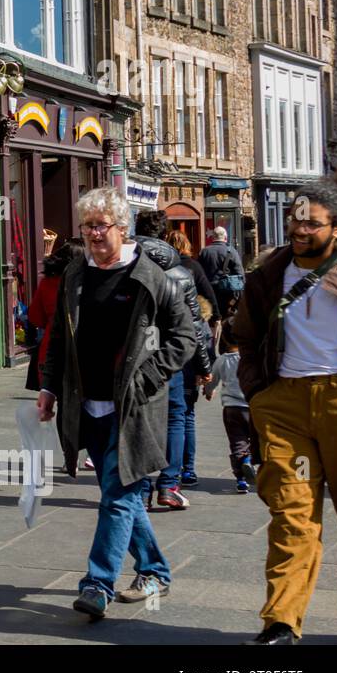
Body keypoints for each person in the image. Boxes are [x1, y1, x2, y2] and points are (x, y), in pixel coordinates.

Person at [39, 186, 197, 621]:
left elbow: (185, 338)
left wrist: (147, 377)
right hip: (86, 403)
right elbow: (58, 339)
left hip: (135, 408)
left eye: (100, 226)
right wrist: (49, 388)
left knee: (120, 495)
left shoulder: (150, 278)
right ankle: (154, 570)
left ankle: (97, 583)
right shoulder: (75, 273)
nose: (92, 234)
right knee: (116, 491)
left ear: (122, 227)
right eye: (87, 226)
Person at [233, 178, 337, 645]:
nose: (299, 227)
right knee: (291, 513)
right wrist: (258, 392)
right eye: (294, 217)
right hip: (284, 406)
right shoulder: (268, 272)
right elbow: (244, 334)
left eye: (311, 221)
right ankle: (281, 620)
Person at [133, 212, 212, 510]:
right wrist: (204, 367)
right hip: (171, 358)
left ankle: (141, 489)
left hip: (135, 357)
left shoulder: (123, 265)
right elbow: (193, 327)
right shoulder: (180, 273)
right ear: (164, 234)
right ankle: (168, 486)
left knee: (138, 419)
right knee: (175, 417)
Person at [27, 239, 91, 469]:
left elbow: (35, 318)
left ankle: (69, 456)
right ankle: (93, 451)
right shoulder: (88, 280)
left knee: (65, 405)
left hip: (51, 352)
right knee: (91, 401)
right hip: (83, 351)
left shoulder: (47, 283)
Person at [168, 229, 217, 489]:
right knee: (185, 414)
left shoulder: (154, 270)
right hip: (187, 353)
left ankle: (167, 474)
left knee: (166, 417)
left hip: (163, 356)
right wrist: (206, 366)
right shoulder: (192, 269)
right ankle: (187, 469)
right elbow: (207, 304)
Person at [203, 324, 255, 494]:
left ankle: (240, 479)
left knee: (237, 442)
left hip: (231, 409)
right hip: (252, 406)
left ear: (223, 339)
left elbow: (212, 379)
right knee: (257, 438)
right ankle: (250, 458)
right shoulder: (250, 357)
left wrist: (208, 391)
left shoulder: (222, 359)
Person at [198, 225, 247, 319]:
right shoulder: (231, 251)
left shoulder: (204, 251)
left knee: (211, 319)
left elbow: (199, 272)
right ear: (225, 237)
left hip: (208, 292)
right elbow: (240, 274)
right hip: (227, 293)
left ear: (213, 237)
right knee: (226, 318)